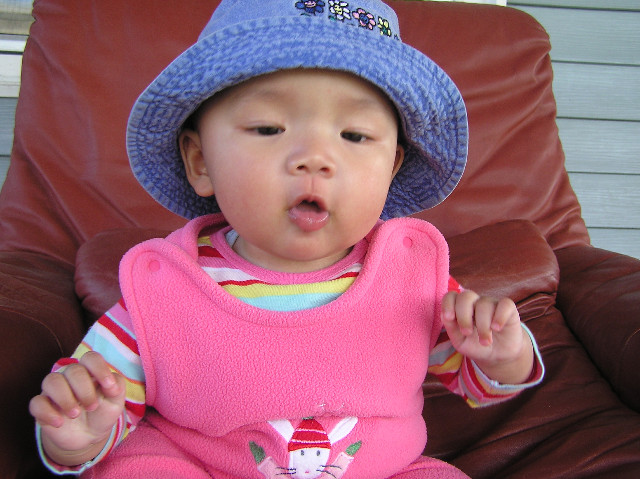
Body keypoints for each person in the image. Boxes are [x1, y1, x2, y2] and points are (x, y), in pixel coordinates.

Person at [29, 0, 544, 477]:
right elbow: (101, 401)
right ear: (200, 161)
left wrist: (502, 356)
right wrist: (79, 432)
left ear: (390, 168)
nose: (314, 157)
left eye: (355, 135)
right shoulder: (166, 289)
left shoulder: (410, 279)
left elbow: (474, 382)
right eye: (268, 128)